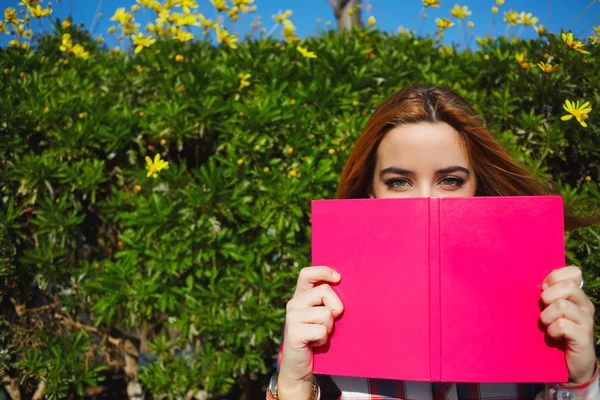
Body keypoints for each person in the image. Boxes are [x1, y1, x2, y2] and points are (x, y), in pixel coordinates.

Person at [267, 85, 599, 400]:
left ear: (478, 191)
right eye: (398, 182)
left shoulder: (538, 309)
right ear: (370, 195)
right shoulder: (321, 314)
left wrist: (579, 379)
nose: (426, 201)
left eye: (451, 181)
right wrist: (294, 385)